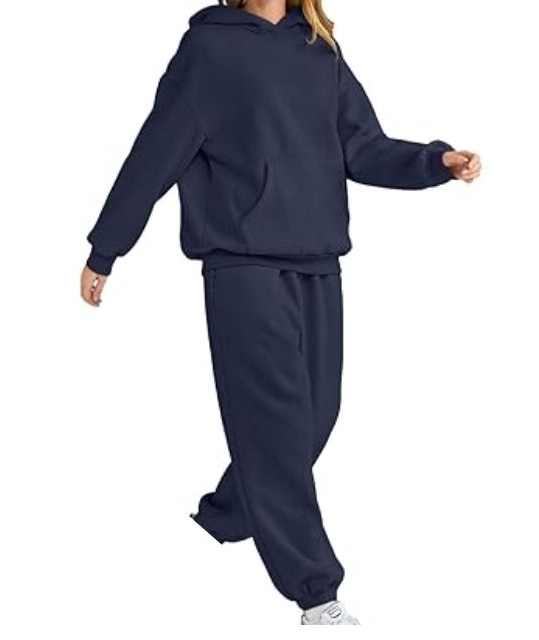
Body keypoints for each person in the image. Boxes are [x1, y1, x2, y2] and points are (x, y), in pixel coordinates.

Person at [80, 0, 481, 626]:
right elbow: (154, 153)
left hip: (317, 257)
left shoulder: (319, 51)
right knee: (273, 430)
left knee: (316, 415)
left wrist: (436, 163)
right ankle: (316, 594)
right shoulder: (209, 50)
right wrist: (107, 248)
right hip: (243, 264)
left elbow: (362, 146)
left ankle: (225, 517)